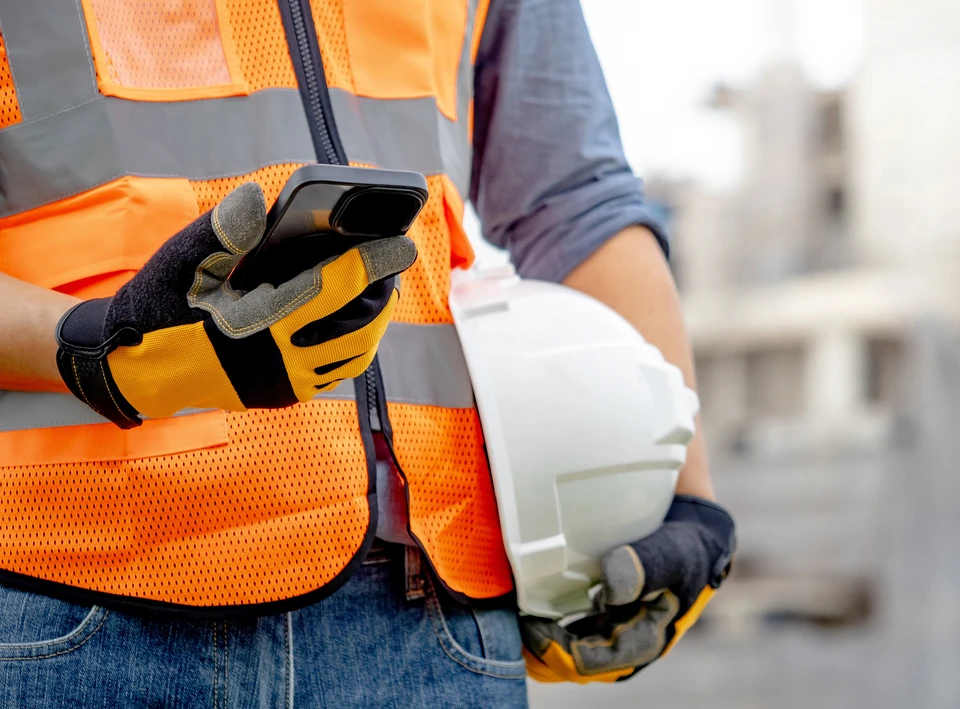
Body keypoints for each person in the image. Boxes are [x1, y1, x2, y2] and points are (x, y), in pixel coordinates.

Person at [0, 0, 735, 706]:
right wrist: (90, 346)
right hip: (64, 587)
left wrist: (685, 489)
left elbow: (575, 199)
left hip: (430, 612)